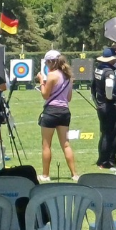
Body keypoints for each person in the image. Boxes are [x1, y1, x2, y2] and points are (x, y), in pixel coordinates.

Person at [35, 50, 77, 182]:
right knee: (66, 144)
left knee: (46, 145)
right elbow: (69, 98)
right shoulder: (68, 76)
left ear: (50, 62)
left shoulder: (52, 75)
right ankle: (74, 174)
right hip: (64, 111)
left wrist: (41, 81)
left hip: (51, 111)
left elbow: (45, 95)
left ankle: (45, 175)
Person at [92, 47, 116, 169]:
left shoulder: (99, 69)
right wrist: (111, 99)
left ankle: (101, 159)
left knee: (104, 133)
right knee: (110, 134)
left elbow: (93, 89)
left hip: (100, 105)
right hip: (108, 106)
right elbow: (109, 88)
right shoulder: (109, 72)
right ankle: (105, 161)